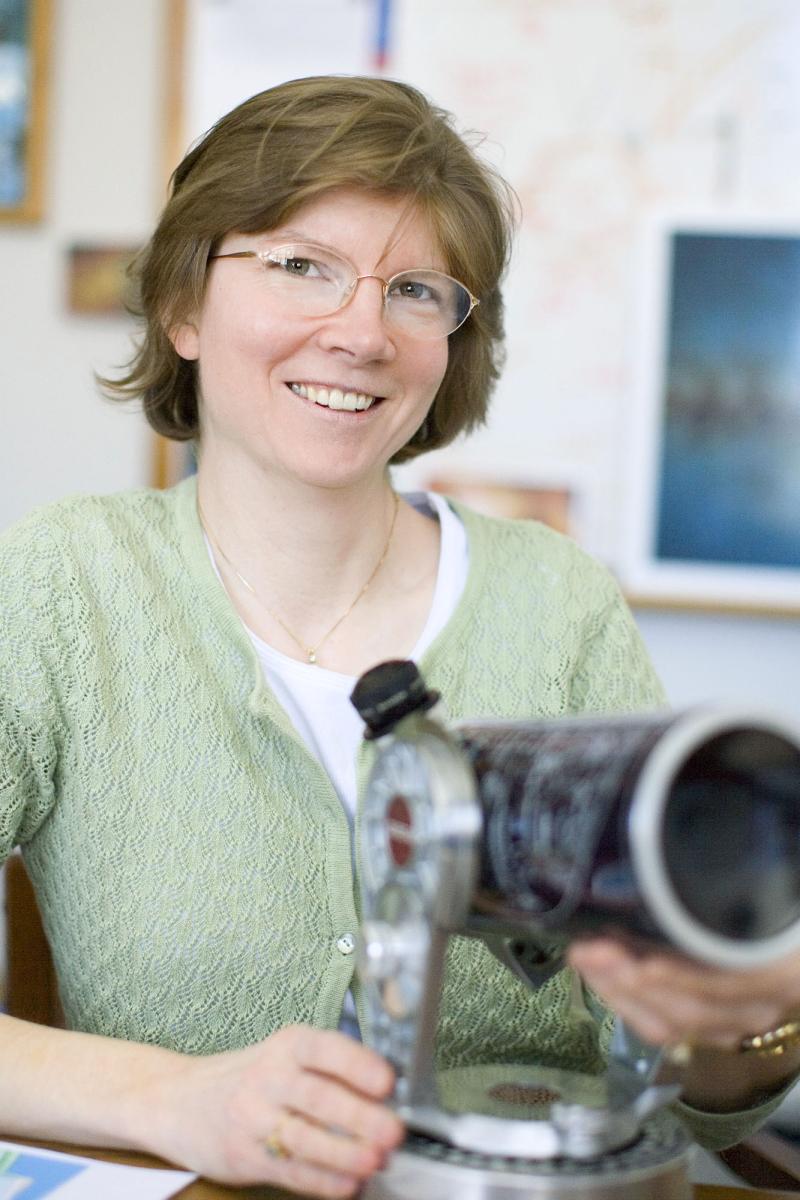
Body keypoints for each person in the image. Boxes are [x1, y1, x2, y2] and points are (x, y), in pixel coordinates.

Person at [2, 73, 800, 1198]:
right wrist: (169, 1099)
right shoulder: (59, 586)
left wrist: (752, 1016)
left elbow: (715, 1099)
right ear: (184, 306)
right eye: (300, 266)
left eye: (417, 290)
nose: (363, 332)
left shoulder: (557, 602)